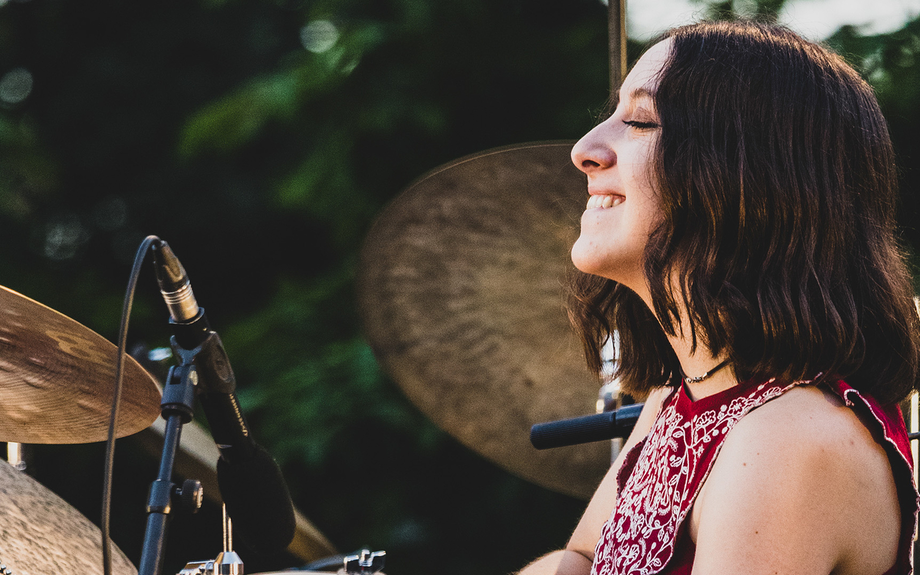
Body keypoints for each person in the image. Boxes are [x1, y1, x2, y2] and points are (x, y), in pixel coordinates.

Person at [520, 20, 920, 575]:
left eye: (640, 120)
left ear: (748, 176)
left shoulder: (787, 438)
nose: (583, 150)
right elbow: (583, 559)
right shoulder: (684, 398)